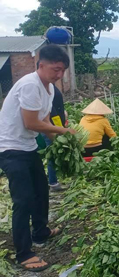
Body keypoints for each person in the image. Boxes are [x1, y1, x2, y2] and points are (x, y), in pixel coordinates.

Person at [0, 44, 75, 272]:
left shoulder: (49, 89)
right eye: (55, 69)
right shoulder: (30, 85)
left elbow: (46, 124)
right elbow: (31, 123)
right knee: (23, 200)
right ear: (40, 65)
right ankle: (24, 253)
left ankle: (40, 231)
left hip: (28, 146)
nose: (59, 74)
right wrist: (65, 132)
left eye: (62, 70)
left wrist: (62, 146)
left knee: (41, 191)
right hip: (10, 148)